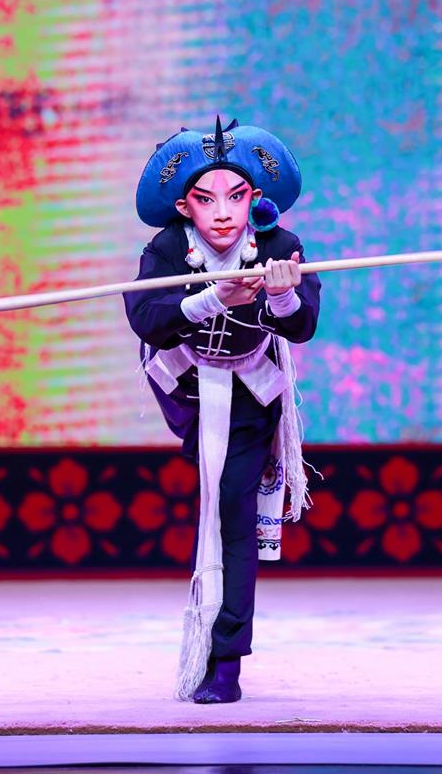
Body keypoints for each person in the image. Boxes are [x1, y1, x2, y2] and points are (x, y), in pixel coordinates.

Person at [123, 116, 322, 704]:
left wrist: (282, 294)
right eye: (205, 200)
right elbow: (146, 320)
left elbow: (303, 326)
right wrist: (213, 297)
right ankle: (215, 645)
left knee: (232, 510)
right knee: (214, 503)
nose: (222, 214)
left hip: (252, 394)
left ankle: (225, 662)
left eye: (235, 197)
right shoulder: (166, 248)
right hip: (186, 390)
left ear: (254, 197)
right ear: (183, 206)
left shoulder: (280, 246)